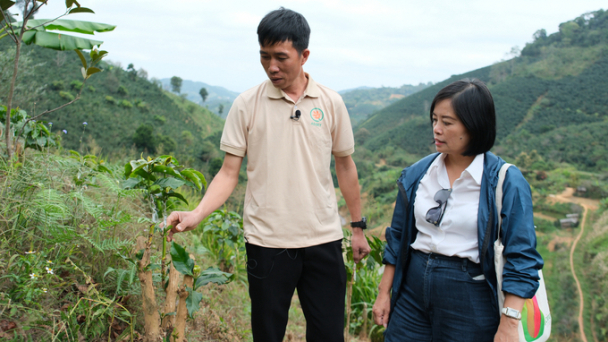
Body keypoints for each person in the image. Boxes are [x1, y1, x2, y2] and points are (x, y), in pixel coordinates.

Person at [165, 7, 370, 342]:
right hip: (267, 242)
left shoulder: (330, 103)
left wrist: (358, 228)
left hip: (323, 238)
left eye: (281, 57)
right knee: (268, 333)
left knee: (329, 334)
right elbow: (229, 173)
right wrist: (198, 213)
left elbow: (345, 167)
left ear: (304, 55)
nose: (271, 66)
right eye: (264, 56)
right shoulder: (247, 104)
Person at [372, 79, 544, 342]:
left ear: (474, 125)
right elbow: (398, 236)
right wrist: (384, 293)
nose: (436, 130)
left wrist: (509, 322)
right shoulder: (419, 174)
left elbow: (522, 256)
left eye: (447, 122)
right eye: (434, 120)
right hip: (413, 289)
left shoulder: (505, 181)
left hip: (469, 293)